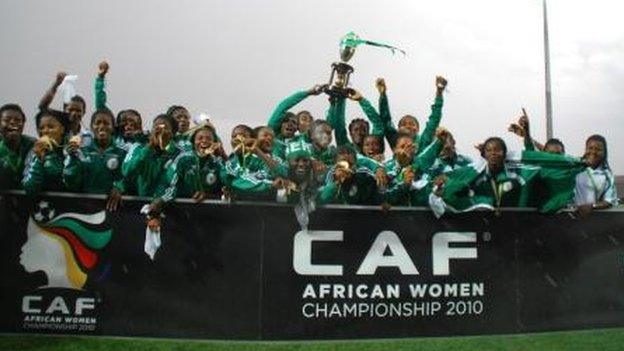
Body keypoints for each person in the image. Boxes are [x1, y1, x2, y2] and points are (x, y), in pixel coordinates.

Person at [107, 114, 182, 213]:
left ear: (172, 134)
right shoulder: (138, 146)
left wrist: (162, 199)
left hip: (165, 208)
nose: (159, 131)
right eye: (156, 127)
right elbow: (127, 171)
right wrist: (149, 147)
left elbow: (172, 183)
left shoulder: (179, 154)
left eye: (165, 128)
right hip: (136, 208)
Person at [63, 108, 126, 195]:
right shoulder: (82, 150)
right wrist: (72, 159)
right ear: (92, 127)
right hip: (85, 205)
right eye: (98, 123)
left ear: (112, 127)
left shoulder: (121, 152)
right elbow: (71, 184)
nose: (101, 126)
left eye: (106, 123)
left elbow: (127, 178)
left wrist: (119, 187)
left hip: (111, 206)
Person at [377, 76, 447, 153]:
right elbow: (385, 119)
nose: (408, 126)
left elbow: (434, 120)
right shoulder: (395, 141)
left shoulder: (423, 142)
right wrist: (383, 95)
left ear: (418, 129)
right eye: (404, 124)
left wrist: (439, 93)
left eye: (412, 124)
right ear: (398, 130)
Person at [384, 129, 447, 206]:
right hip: (395, 212)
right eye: (402, 146)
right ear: (394, 150)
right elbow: (386, 189)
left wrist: (440, 140)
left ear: (415, 148)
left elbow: (431, 151)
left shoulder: (420, 161)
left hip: (419, 213)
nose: (406, 150)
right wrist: (401, 167)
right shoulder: (386, 167)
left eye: (410, 146)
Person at [267, 85, 325, 158]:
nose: (289, 124)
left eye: (294, 122)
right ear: (280, 125)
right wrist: (308, 92)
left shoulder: (301, 141)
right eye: (285, 121)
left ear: (297, 128)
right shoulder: (272, 135)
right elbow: (282, 107)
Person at [22, 109, 70, 195]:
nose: (45, 131)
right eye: (41, 128)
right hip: (43, 205)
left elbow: (73, 183)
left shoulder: (72, 149)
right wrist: (39, 160)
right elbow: (29, 187)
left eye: (51, 127)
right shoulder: (34, 152)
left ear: (62, 129)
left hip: (71, 205)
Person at [174, 124, 226, 202]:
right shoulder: (182, 160)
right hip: (181, 207)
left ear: (214, 143)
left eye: (209, 139)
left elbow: (224, 189)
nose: (204, 141)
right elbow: (169, 184)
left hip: (210, 210)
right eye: (200, 138)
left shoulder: (218, 163)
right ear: (193, 142)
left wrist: (208, 196)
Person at [317, 146, 381, 205]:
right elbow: (324, 198)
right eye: (342, 164)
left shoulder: (363, 171)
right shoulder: (331, 173)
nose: (346, 168)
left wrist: (352, 179)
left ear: (355, 162)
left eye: (350, 164)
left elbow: (374, 189)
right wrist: (337, 182)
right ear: (335, 163)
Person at [574, 134, 619, 216]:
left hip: (593, 219)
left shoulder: (607, 175)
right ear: (585, 149)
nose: (593, 152)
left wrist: (592, 206)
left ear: (604, 152)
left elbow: (609, 201)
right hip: (568, 216)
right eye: (590, 148)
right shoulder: (575, 167)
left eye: (598, 149)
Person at [38, 72, 88, 140]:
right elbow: (42, 107)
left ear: (84, 112)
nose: (74, 113)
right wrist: (56, 84)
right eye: (70, 110)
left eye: (78, 110)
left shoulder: (88, 135)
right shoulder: (57, 128)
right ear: (64, 110)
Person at [0, 104, 35, 189]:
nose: (12, 122)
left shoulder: (32, 144)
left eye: (18, 120)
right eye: (7, 120)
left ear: (23, 124)